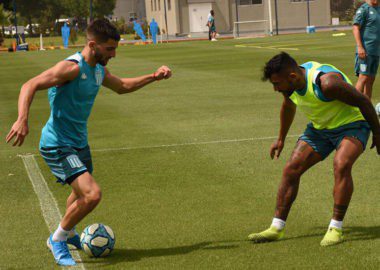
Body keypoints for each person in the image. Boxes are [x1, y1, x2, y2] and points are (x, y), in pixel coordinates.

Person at [6, 19, 172, 266]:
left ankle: (69, 232)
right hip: (57, 143)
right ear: (93, 45)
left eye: (115, 49)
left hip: (79, 143)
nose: (113, 54)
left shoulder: (98, 70)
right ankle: (58, 239)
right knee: (92, 195)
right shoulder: (72, 68)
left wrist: (153, 76)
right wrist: (22, 119)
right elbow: (29, 85)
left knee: (78, 193)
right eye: (109, 49)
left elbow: (122, 86)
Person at [248, 52, 380, 247]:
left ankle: (336, 228)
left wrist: (377, 134)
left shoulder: (326, 83)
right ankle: (277, 227)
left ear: (292, 77)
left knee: (341, 164)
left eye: (277, 84)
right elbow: (288, 106)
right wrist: (280, 139)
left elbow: (363, 101)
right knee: (291, 169)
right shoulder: (291, 83)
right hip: (320, 129)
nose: (275, 89)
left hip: (352, 125)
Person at [353, 0, 380, 99]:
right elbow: (356, 28)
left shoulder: (379, 9)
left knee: (370, 81)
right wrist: (360, 47)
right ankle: (353, 107)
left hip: (376, 52)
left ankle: (367, 109)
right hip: (365, 51)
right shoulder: (364, 9)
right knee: (363, 78)